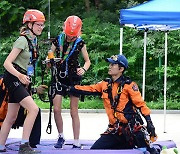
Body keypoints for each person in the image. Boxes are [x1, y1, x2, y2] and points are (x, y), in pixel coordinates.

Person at [67, 54, 159, 153]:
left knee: (149, 151)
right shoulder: (104, 85)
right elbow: (88, 89)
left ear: (121, 69)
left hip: (132, 131)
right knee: (94, 151)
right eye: (110, 64)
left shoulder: (129, 85)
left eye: (113, 64)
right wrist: (68, 88)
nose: (110, 66)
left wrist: (149, 123)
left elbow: (141, 105)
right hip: (115, 131)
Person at [0, 9, 45, 153]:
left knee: (11, 116)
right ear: (29, 24)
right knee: (33, 109)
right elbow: (7, 63)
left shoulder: (34, 41)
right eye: (38, 24)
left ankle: (0, 145)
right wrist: (20, 76)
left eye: (42, 25)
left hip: (21, 78)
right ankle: (24, 146)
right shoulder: (22, 40)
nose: (41, 27)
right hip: (13, 77)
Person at [49, 15, 91, 149]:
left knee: (74, 111)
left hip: (74, 78)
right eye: (68, 35)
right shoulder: (58, 40)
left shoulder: (80, 43)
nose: (70, 38)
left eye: (73, 36)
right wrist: (50, 62)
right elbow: (50, 54)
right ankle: (61, 136)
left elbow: (87, 61)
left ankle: (76, 140)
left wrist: (84, 69)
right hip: (59, 78)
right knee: (56, 109)